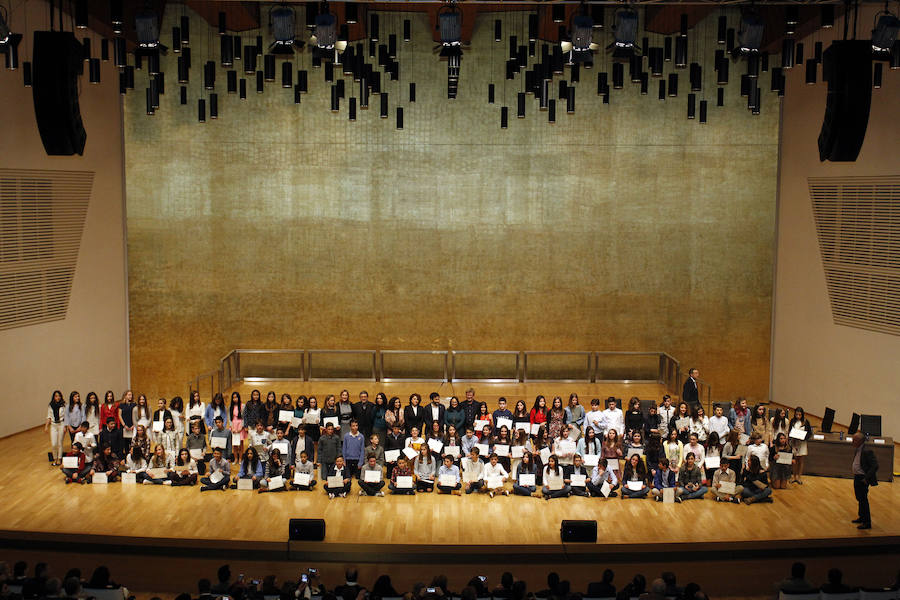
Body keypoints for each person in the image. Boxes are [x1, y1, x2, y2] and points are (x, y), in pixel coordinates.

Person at [851, 431, 878, 529]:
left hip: (862, 478)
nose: (852, 442)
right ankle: (861, 517)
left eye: (854, 440)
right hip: (857, 477)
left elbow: (875, 466)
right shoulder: (858, 449)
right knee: (859, 498)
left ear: (860, 441)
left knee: (863, 500)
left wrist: (866, 479)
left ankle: (867, 522)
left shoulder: (867, 451)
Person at [789, 407, 812, 484]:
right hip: (794, 442)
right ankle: (794, 476)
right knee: (795, 460)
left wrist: (803, 438)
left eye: (799, 415)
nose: (798, 416)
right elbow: (789, 431)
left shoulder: (806, 422)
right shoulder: (792, 421)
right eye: (796, 414)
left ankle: (799, 477)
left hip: (802, 443)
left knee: (801, 460)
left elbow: (809, 433)